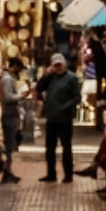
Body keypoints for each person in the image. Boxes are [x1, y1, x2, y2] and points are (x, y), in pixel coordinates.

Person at [37, 52, 82, 182]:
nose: (58, 68)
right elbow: (40, 88)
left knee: (66, 147)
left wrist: (63, 108)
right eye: (55, 65)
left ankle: (68, 174)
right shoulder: (51, 78)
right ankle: (51, 174)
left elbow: (76, 98)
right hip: (51, 118)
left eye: (59, 65)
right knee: (50, 148)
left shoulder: (72, 79)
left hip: (64, 119)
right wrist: (46, 75)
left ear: (64, 64)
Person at [0, 57, 26, 183]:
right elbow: (8, 97)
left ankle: (7, 171)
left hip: (10, 114)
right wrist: (21, 96)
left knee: (10, 145)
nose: (19, 71)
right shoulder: (7, 79)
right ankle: (7, 172)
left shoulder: (7, 78)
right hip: (9, 115)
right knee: (8, 145)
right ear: (14, 66)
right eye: (19, 68)